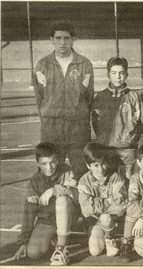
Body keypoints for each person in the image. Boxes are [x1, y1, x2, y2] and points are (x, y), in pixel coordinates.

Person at [32, 22, 94, 180]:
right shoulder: (42, 65)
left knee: (82, 171)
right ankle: (49, 204)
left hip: (77, 129)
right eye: (58, 38)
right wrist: (48, 117)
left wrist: (79, 116)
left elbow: (89, 96)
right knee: (50, 171)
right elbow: (40, 97)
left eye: (66, 38)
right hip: (51, 128)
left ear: (73, 39)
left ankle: (81, 204)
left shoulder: (84, 64)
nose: (62, 42)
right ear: (51, 39)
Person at [14, 142, 80, 266]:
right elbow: (29, 213)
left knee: (62, 200)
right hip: (48, 221)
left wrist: (55, 190)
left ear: (58, 160)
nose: (49, 167)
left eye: (52, 162)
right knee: (33, 253)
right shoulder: (35, 181)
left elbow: (78, 195)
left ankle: (61, 249)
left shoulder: (67, 171)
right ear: (37, 163)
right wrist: (23, 241)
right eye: (44, 163)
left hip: (69, 215)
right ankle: (53, 238)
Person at [92, 57, 143, 180]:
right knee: (110, 179)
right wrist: (104, 139)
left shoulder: (134, 96)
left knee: (128, 179)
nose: (118, 77)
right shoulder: (100, 97)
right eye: (114, 73)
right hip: (107, 148)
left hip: (127, 148)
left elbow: (140, 121)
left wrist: (130, 139)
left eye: (121, 73)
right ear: (108, 75)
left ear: (126, 75)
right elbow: (95, 122)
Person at [78, 143, 128, 257]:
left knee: (106, 218)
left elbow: (121, 205)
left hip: (115, 221)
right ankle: (104, 234)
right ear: (88, 165)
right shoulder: (83, 182)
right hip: (96, 222)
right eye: (96, 165)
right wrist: (109, 201)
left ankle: (110, 238)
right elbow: (86, 210)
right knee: (95, 252)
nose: (100, 169)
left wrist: (96, 202)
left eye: (103, 164)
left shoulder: (116, 177)